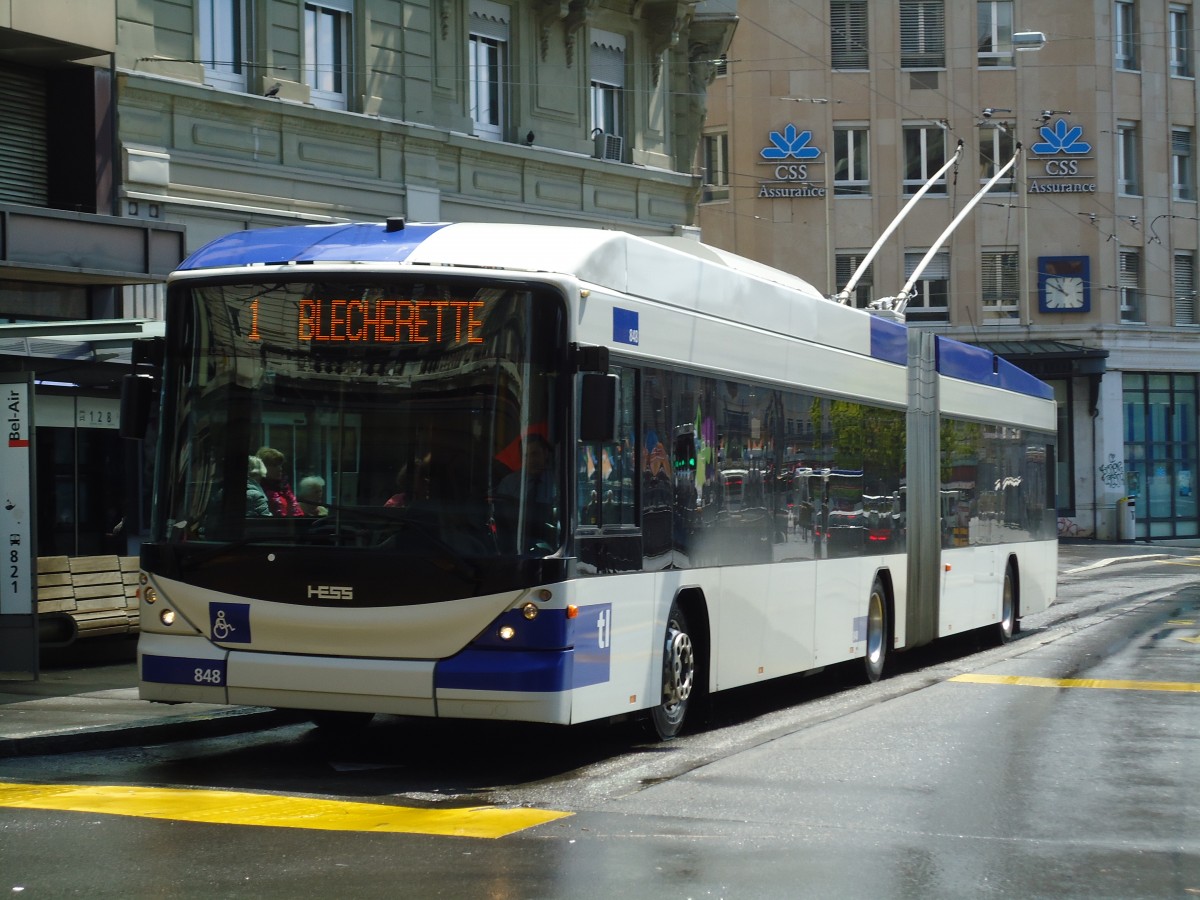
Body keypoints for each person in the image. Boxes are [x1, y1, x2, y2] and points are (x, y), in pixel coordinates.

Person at [257, 447, 304, 516]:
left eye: (280, 465)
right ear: (263, 467)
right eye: (274, 465)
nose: (280, 469)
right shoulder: (257, 490)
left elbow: (297, 512)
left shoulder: (284, 488)